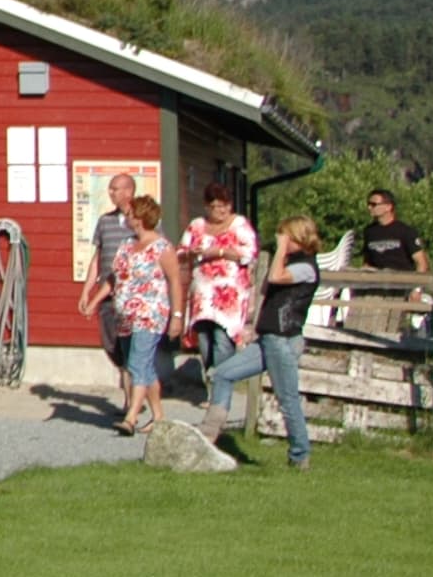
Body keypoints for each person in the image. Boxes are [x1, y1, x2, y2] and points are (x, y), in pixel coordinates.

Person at [205, 215, 325, 468]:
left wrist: (281, 248)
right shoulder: (294, 262)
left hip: (283, 339)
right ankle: (209, 433)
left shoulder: (306, 266)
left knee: (287, 398)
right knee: (223, 374)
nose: (282, 241)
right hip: (269, 337)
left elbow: (276, 277)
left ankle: (300, 454)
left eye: (287, 236)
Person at [177, 182, 260, 396]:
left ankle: (221, 387)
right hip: (203, 292)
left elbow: (249, 252)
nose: (221, 211)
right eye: (216, 206)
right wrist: (191, 252)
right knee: (204, 338)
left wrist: (219, 251)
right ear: (207, 207)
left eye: (225, 206)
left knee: (222, 338)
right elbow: (181, 252)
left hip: (229, 293)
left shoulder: (239, 224)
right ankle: (210, 378)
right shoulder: (197, 225)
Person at [111, 194, 178, 437]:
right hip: (125, 316)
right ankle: (159, 416)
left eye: (129, 214)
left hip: (150, 314)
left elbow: (175, 282)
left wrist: (177, 315)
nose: (126, 218)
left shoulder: (162, 247)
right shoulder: (126, 245)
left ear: (138, 218)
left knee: (138, 365)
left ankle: (131, 417)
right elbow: (115, 277)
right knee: (141, 366)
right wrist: (94, 299)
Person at [76, 172, 142, 379]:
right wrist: (86, 291)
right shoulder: (105, 221)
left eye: (116, 189)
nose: (111, 193)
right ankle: (129, 388)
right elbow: (97, 258)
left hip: (134, 294)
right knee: (111, 343)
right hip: (107, 294)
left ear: (129, 191)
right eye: (110, 189)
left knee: (130, 345)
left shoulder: (143, 221)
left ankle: (131, 400)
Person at [351, 186, 429, 339]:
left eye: (374, 204)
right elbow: (368, 261)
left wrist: (417, 289)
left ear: (388, 207)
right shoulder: (369, 231)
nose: (369, 208)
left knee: (397, 327)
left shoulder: (405, 231)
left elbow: (422, 262)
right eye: (369, 204)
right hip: (377, 286)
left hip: (401, 286)